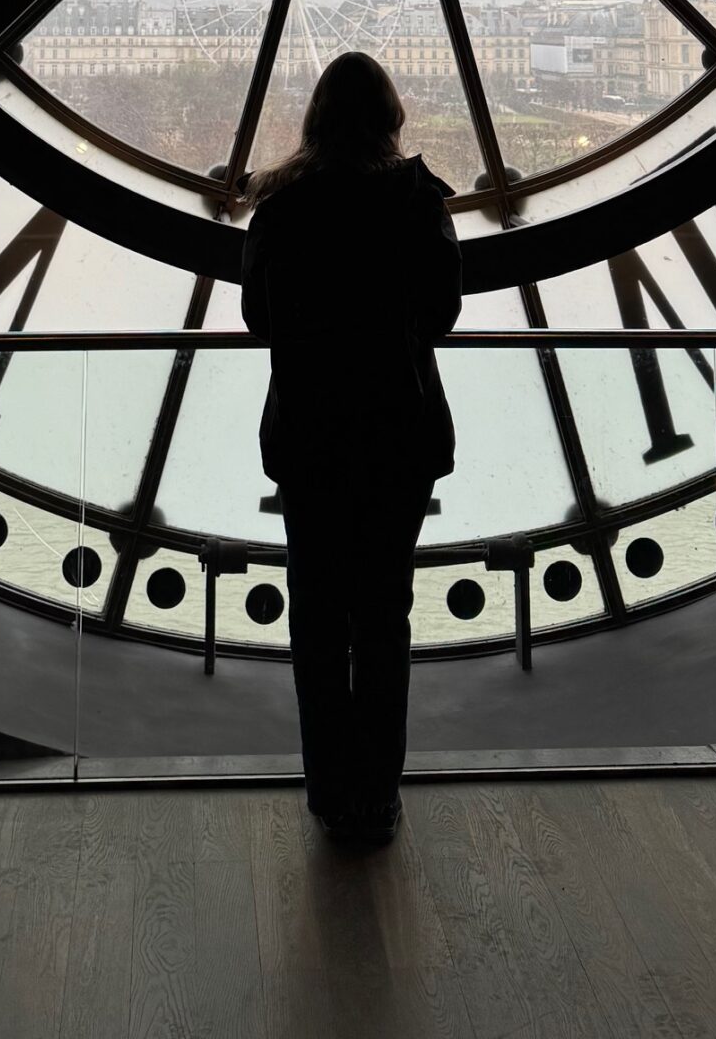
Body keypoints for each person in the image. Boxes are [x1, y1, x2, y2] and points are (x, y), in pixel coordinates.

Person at [241, 51, 462, 844]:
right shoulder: (416, 202)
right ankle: (375, 791)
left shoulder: (282, 208)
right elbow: (441, 313)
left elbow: (260, 319)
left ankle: (331, 788)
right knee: (382, 617)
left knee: (318, 618)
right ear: (390, 117)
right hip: (397, 431)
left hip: (311, 434)